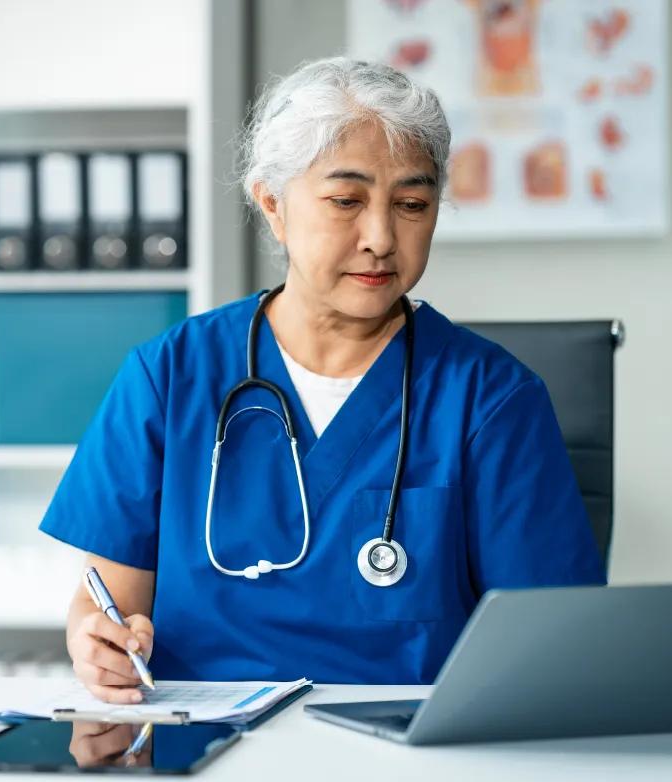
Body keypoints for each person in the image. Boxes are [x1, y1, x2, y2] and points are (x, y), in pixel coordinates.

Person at [40, 57, 605, 704]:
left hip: (407, 752)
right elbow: (103, 607)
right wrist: (99, 647)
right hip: (205, 741)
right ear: (273, 205)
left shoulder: (492, 398)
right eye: (346, 201)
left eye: (413, 204)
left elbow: (549, 647)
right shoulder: (170, 376)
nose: (381, 238)